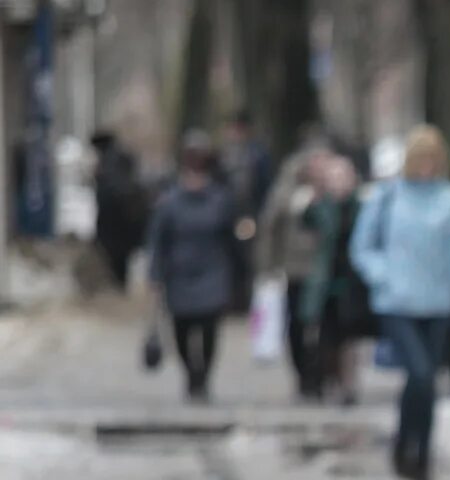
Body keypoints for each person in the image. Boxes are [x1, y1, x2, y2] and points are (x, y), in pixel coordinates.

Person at [350, 125, 450, 480]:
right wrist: (383, 276)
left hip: (437, 304)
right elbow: (362, 248)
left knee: (426, 382)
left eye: (433, 160)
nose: (427, 167)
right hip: (397, 303)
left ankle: (420, 454)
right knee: (418, 372)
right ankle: (405, 445)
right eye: (421, 159)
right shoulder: (387, 197)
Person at [146, 132, 240, 403]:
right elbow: (158, 240)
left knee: (209, 329)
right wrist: (155, 274)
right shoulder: (169, 202)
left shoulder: (220, 199)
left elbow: (231, 238)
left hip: (212, 271)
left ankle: (203, 377)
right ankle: (191, 374)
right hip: (179, 273)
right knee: (183, 330)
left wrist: (238, 275)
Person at [259, 129, 333, 399]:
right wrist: (268, 266)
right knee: (298, 324)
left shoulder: (333, 186)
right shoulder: (289, 188)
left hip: (328, 268)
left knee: (327, 325)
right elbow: (271, 225)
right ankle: (303, 374)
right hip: (296, 268)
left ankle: (321, 375)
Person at [302, 153, 367, 406]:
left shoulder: (361, 206)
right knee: (327, 335)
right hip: (326, 280)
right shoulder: (321, 207)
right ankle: (328, 380)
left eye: (343, 177)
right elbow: (305, 222)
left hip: (352, 281)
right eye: (334, 178)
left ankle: (348, 384)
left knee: (350, 336)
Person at [91, 130, 148, 291]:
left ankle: (118, 287)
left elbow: (110, 195)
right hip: (123, 224)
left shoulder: (110, 165)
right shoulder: (121, 159)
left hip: (116, 223)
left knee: (116, 259)